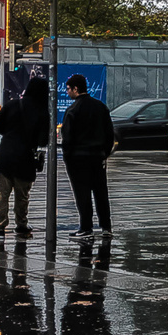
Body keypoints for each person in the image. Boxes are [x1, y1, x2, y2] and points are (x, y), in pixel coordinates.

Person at [0, 76, 50, 240]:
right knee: (22, 196)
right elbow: (43, 140)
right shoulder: (42, 112)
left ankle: (0, 227)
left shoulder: (13, 104)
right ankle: (21, 224)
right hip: (25, 159)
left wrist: (10, 134)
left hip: (6, 155)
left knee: (2, 194)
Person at [60, 73, 114, 237]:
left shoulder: (72, 110)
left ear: (76, 89)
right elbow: (110, 133)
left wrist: (67, 157)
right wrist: (104, 153)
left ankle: (86, 227)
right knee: (100, 192)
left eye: (69, 89)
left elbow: (67, 137)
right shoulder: (100, 107)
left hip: (78, 158)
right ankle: (106, 227)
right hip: (97, 157)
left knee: (82, 193)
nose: (67, 92)